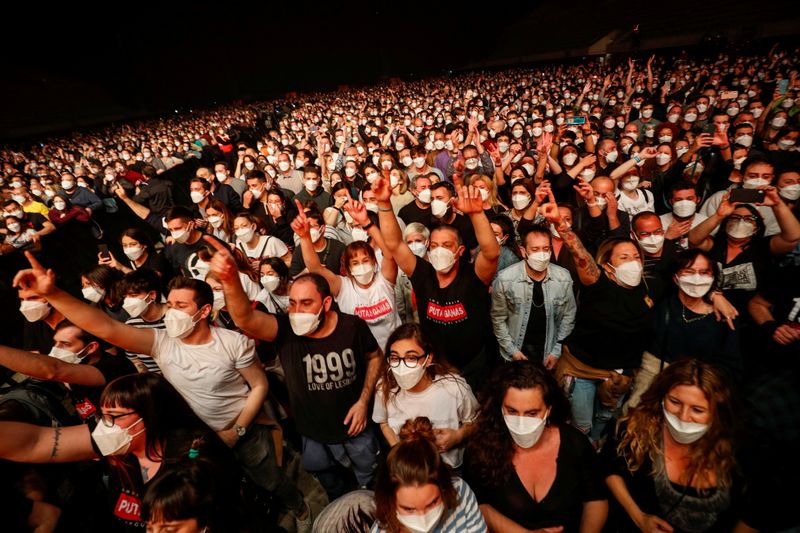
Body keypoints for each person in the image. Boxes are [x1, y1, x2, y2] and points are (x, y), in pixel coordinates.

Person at [12, 256, 311, 529]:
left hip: (242, 429)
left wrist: (238, 429)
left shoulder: (232, 343)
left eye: (182, 306)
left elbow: (259, 384)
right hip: (195, 439)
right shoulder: (161, 342)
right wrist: (53, 295)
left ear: (204, 311)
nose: (172, 311)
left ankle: (298, 506)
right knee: (226, 489)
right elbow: (105, 328)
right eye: (172, 304)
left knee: (269, 478)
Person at [207, 239, 382, 501]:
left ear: (325, 304)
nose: (296, 311)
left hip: (357, 430)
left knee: (371, 484)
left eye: (306, 303)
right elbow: (245, 318)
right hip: (313, 434)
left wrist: (363, 400)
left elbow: (375, 357)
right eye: (292, 303)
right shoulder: (285, 330)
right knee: (332, 486)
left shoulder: (352, 326)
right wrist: (231, 280)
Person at [374, 174, 500, 388]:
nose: (439, 251)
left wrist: (477, 213)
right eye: (434, 246)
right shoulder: (423, 274)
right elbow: (395, 244)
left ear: (460, 251)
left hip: (474, 365)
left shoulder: (473, 276)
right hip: (435, 364)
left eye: (447, 245)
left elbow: (490, 253)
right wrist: (384, 204)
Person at [602, 360, 748, 533]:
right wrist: (639, 517)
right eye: (675, 402)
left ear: (717, 411)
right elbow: (609, 468)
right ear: (661, 397)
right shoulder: (635, 430)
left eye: (697, 410)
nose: (683, 417)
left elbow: (754, 513)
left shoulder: (737, 449)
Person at [464, 361, 608, 533]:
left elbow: (595, 498)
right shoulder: (481, 447)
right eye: (512, 411)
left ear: (548, 409)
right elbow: (478, 503)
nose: (521, 421)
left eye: (532, 413)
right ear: (500, 407)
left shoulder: (575, 443)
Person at [625, 250, 742, 410]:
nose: (697, 278)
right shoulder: (661, 301)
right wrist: (714, 295)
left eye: (704, 272)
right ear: (676, 277)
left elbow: (731, 365)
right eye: (689, 271)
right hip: (653, 379)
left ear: (713, 277)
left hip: (696, 386)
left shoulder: (723, 316)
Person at [293, 197, 400, 350]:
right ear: (348, 268)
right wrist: (304, 238)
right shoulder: (343, 287)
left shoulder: (385, 280)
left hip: (395, 352)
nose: (361, 266)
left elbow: (389, 253)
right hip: (363, 357)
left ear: (374, 262)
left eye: (365, 260)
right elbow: (316, 268)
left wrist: (366, 223)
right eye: (355, 263)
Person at [372, 323, 478, 469]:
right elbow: (383, 422)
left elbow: (476, 420)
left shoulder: (453, 388)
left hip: (449, 469)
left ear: (428, 359)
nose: (401, 366)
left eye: (411, 358)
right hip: (409, 469)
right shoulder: (384, 388)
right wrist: (399, 451)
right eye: (395, 358)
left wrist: (458, 436)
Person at [0, 320, 136, 422]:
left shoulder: (115, 366)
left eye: (65, 344)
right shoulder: (76, 364)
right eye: (56, 343)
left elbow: (54, 370)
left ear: (91, 347)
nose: (56, 350)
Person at [371, 416, 487, 533]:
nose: (423, 519)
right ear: (391, 502)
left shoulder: (460, 492)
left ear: (444, 489)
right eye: (409, 509)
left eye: (432, 503)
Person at [491, 225, 576, 367]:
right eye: (535, 249)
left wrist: (556, 352)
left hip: (548, 352)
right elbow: (498, 319)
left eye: (546, 249)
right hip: (516, 352)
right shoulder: (505, 278)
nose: (541, 254)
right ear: (524, 251)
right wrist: (513, 351)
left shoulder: (563, 277)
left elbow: (568, 316)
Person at [119, 268, 167, 373]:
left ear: (152, 295)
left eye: (133, 295)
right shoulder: (131, 325)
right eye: (125, 297)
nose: (128, 301)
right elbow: (136, 360)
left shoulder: (175, 317)